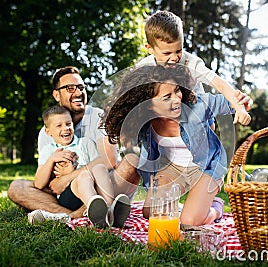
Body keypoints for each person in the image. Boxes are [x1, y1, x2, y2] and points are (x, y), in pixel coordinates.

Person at [100, 64, 251, 226]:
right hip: (173, 168)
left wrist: (242, 106)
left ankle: (215, 208)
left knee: (189, 222)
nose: (177, 99)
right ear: (148, 105)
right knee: (152, 212)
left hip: (206, 168)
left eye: (177, 90)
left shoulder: (197, 106)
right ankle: (190, 206)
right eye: (167, 97)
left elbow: (228, 101)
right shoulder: (145, 123)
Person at [7, 66, 140, 226]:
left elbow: (110, 161)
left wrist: (68, 177)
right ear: (56, 94)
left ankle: (81, 212)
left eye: (80, 87)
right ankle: (75, 215)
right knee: (17, 187)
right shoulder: (46, 131)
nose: (78, 93)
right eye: (70, 88)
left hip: (105, 185)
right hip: (66, 194)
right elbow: (44, 181)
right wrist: (59, 180)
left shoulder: (100, 117)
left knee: (132, 160)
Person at [138, 10, 252, 125]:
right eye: (167, 53)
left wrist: (239, 108)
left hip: (196, 105)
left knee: (207, 129)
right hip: (170, 112)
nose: (174, 58)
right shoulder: (144, 68)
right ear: (150, 49)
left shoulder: (191, 63)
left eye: (178, 51)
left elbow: (220, 84)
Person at [29, 105, 129, 228]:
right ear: (48, 131)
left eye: (68, 124)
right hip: (69, 197)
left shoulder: (85, 143)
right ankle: (96, 211)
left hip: (93, 189)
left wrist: (71, 171)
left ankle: (108, 210)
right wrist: (52, 159)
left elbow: (98, 168)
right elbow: (38, 184)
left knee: (99, 168)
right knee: (84, 175)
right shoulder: (49, 151)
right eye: (59, 126)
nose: (66, 128)